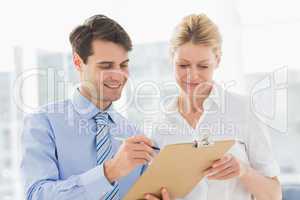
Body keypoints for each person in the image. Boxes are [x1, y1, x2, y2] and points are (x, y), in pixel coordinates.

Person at [146, 14, 282, 200]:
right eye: (183, 65)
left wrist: (243, 171)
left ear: (217, 60)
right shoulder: (158, 124)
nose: (192, 76)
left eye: (203, 66)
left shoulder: (244, 110)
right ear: (171, 59)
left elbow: (274, 195)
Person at [20, 15, 156, 200]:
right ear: (78, 62)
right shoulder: (43, 123)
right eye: (106, 66)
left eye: (123, 65)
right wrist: (109, 172)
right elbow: (37, 195)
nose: (118, 76)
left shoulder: (134, 135)